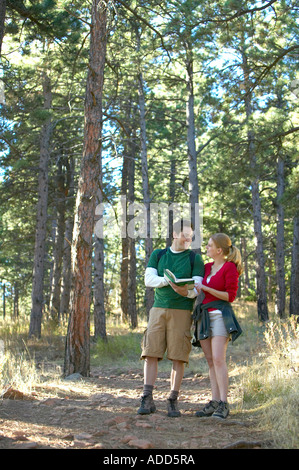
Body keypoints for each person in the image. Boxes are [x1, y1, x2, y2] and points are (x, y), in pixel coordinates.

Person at [138, 219, 204, 417]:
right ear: (175, 234)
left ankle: (173, 399)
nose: (188, 238)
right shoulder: (159, 255)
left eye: (191, 235)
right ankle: (147, 397)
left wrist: (182, 290)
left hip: (182, 311)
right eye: (185, 234)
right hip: (158, 310)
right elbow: (149, 280)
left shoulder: (195, 259)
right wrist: (168, 281)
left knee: (178, 356)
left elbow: (196, 288)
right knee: (151, 353)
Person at [193, 233, 243, 420]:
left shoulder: (229, 268)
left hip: (221, 316)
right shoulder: (206, 268)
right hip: (203, 317)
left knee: (218, 359)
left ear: (219, 250)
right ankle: (214, 402)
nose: (207, 248)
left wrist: (206, 289)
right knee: (210, 360)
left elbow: (230, 296)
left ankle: (224, 403)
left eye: (209, 245)